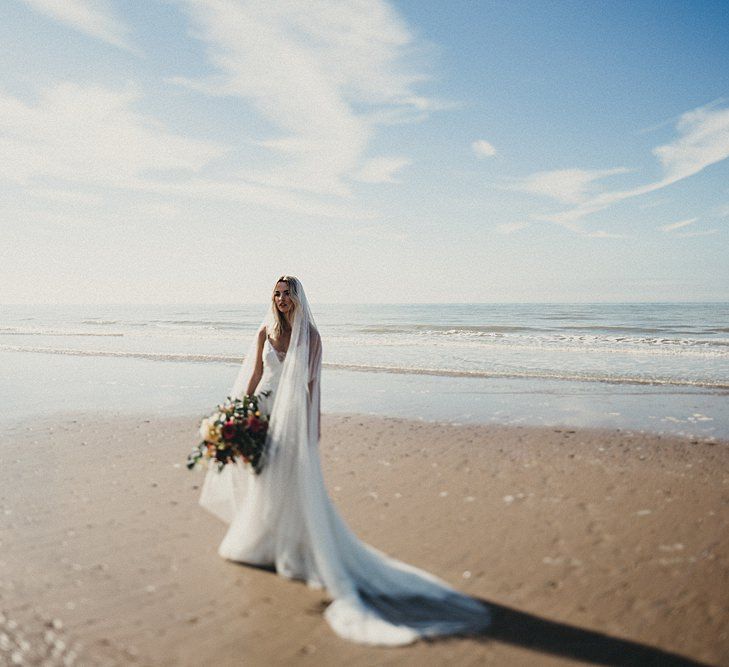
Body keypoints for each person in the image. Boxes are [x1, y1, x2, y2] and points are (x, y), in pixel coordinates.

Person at [199, 275, 490, 646]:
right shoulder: (264, 331)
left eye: (288, 293)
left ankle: (299, 546)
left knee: (293, 480)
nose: (282, 298)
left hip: (294, 419)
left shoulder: (313, 337)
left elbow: (311, 385)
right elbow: (255, 374)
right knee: (265, 477)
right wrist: (239, 413)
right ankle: (267, 542)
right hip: (263, 415)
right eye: (277, 293)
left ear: (299, 298)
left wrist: (312, 425)